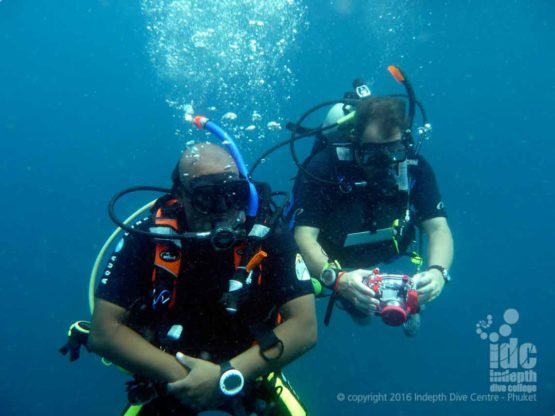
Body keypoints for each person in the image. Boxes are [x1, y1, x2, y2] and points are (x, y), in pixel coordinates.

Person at [88, 142, 317, 415]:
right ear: (181, 197)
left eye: (233, 193)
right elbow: (103, 332)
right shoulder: (147, 238)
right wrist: (192, 379)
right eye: (206, 197)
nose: (223, 208)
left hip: (252, 371)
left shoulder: (267, 232)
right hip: (170, 377)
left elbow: (304, 327)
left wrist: (226, 376)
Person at [291, 96, 454, 331]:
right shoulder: (323, 168)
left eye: (394, 151)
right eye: (373, 154)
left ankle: (397, 303)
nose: (385, 162)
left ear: (405, 144)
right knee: (362, 316)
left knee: (382, 313)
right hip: (334, 259)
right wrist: (337, 279)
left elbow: (438, 228)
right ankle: (350, 301)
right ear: (355, 142)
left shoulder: (415, 167)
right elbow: (303, 236)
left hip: (387, 249)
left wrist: (437, 273)